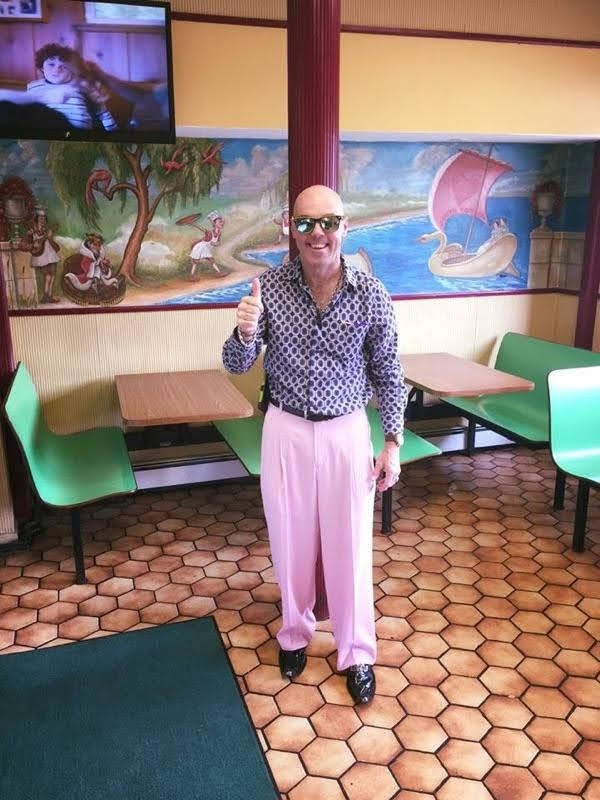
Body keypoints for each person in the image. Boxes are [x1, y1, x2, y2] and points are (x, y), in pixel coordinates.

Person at [222, 185, 408, 705]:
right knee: (290, 540)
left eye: (327, 222)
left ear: (345, 226)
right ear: (291, 229)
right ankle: (295, 633)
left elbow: (389, 372)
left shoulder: (371, 293)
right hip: (286, 429)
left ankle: (356, 651)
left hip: (347, 430)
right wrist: (243, 334)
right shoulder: (269, 288)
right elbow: (236, 365)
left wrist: (393, 443)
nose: (316, 234)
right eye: (304, 223)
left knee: (351, 545)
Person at [0, 43, 117, 131]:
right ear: (42, 67)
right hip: (40, 129)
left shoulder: (81, 86)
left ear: (71, 70)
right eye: (51, 64)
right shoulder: (34, 86)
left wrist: (113, 135)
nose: (56, 69)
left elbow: (102, 112)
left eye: (64, 66)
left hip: (73, 131)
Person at [19, 207, 60, 303]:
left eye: (44, 218)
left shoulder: (47, 230)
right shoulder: (32, 231)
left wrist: (50, 237)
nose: (43, 220)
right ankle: (45, 295)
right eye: (40, 218)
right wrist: (33, 245)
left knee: (52, 275)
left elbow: (56, 247)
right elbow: (22, 245)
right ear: (36, 218)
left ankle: (49, 295)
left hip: (50, 255)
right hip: (40, 256)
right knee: (47, 275)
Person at [189, 211, 225, 278]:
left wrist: (215, 243)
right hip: (201, 247)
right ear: (214, 224)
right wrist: (193, 224)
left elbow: (218, 242)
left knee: (210, 260)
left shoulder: (219, 233)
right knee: (197, 261)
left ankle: (219, 273)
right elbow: (202, 229)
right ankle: (191, 276)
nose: (222, 223)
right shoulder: (210, 233)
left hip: (205, 248)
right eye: (220, 222)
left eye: (222, 222)